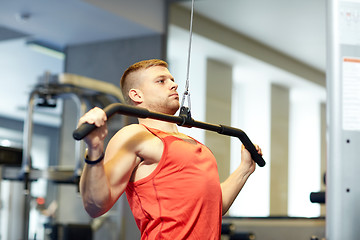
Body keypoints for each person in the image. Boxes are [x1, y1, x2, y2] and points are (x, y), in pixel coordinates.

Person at [78, 59, 262, 239]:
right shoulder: (135, 135)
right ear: (137, 95)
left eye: (172, 80)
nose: (174, 85)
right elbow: (95, 206)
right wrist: (94, 148)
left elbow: (213, 208)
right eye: (161, 81)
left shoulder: (195, 145)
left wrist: (244, 169)